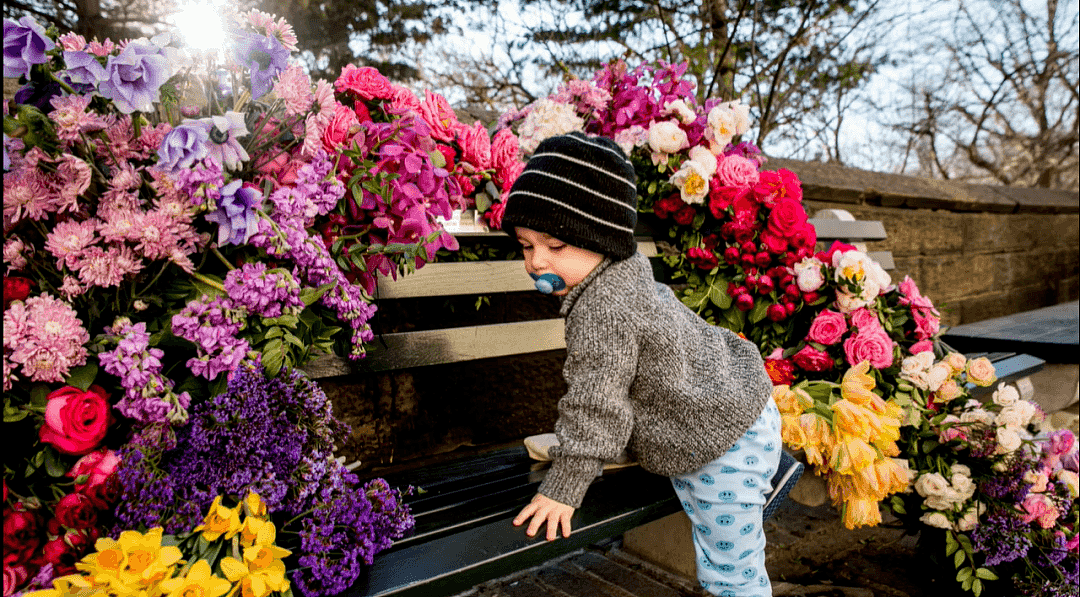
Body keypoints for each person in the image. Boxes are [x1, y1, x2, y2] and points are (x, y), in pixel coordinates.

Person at [504, 132, 781, 597]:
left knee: (730, 570)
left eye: (553, 245)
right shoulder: (623, 270)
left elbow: (598, 400)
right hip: (733, 407)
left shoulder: (603, 308)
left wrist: (564, 487)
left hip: (721, 444)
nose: (536, 262)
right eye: (526, 246)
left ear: (601, 239)